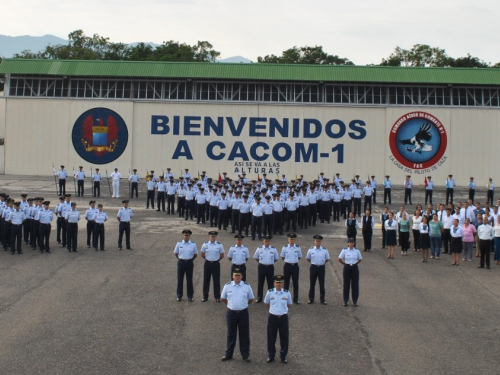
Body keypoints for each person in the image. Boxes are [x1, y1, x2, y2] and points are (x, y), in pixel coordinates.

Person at [220, 268, 254, 362]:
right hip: (231, 313)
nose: (237, 277)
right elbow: (223, 298)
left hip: (243, 313)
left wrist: (243, 305)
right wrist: (231, 304)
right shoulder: (227, 286)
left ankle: (245, 355)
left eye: (239, 275)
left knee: (244, 334)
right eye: (236, 275)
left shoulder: (246, 286)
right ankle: (229, 354)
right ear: (233, 276)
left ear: (242, 277)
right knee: (231, 334)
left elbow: (251, 299)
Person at [264, 275, 292, 364]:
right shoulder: (270, 292)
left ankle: (283, 356)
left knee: (284, 337)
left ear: (283, 283)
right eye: (277, 282)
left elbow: (289, 304)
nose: (278, 284)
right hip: (273, 317)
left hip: (283, 317)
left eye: (280, 282)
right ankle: (271, 355)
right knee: (271, 336)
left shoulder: (287, 293)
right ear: (274, 283)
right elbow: (267, 303)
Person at [174, 229, 198, 302]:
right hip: (181, 262)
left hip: (189, 262)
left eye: (187, 235)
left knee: (189, 280)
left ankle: (190, 296)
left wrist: (189, 260)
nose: (186, 237)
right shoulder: (179, 244)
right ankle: (179, 295)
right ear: (183, 236)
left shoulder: (193, 244)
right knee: (180, 279)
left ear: (189, 236)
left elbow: (195, 254)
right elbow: (176, 253)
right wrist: (181, 259)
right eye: (185, 235)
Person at [200, 231, 225, 302]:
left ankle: (217, 296)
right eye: (211, 236)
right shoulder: (205, 244)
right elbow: (202, 254)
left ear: (216, 237)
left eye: (214, 237)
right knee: (206, 280)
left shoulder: (219, 245)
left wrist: (216, 260)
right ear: (209, 237)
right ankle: (205, 296)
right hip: (207, 263)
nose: (212, 238)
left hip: (216, 264)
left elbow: (222, 255)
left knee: (216, 280)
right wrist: (208, 260)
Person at [254, 236, 279, 302]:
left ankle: (271, 297)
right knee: (260, 283)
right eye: (265, 241)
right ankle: (259, 297)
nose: (267, 242)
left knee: (270, 283)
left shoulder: (273, 249)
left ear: (269, 242)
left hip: (270, 267)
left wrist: (269, 262)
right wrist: (262, 262)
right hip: (261, 267)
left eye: (268, 241)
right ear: (263, 241)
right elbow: (256, 257)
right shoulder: (259, 249)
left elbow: (276, 258)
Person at [338, 238, 362, 306]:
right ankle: (345, 300)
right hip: (347, 267)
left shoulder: (357, 251)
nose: (351, 244)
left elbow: (360, 259)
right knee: (346, 284)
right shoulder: (344, 250)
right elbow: (339, 259)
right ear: (348, 243)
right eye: (350, 243)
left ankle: (355, 301)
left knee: (355, 284)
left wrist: (355, 264)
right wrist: (345, 264)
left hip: (354, 267)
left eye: (352, 243)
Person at [306, 235, 330, 305]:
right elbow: (308, 258)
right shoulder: (311, 249)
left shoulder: (324, 250)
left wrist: (322, 263)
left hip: (321, 268)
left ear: (320, 242)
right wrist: (313, 263)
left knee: (322, 284)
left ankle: (322, 299)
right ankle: (311, 299)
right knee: (312, 284)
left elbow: (327, 259)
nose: (318, 242)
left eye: (319, 241)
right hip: (313, 267)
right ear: (314, 242)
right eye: (316, 241)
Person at [280, 233, 302, 304]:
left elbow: (299, 257)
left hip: (295, 266)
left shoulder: (298, 248)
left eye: (292, 239)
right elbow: (282, 257)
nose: (291, 240)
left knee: (295, 283)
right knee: (286, 283)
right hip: (287, 266)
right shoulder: (285, 247)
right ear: (288, 240)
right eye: (290, 239)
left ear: (294, 240)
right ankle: (285, 298)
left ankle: (296, 299)